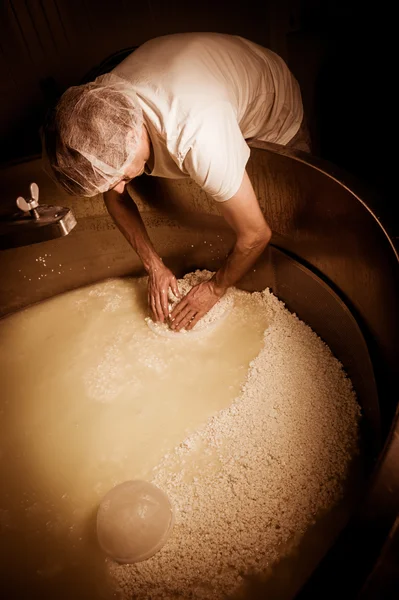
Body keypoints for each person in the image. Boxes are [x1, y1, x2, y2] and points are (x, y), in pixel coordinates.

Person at [42, 32, 308, 331]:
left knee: (286, 205)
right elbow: (114, 194)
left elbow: (256, 234)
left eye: (119, 176)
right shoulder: (100, 106)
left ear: (133, 134)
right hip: (205, 81)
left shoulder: (199, 138)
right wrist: (153, 266)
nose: (117, 185)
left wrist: (213, 289)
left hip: (269, 98)